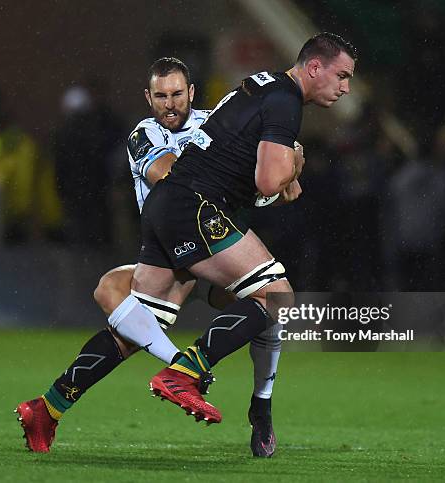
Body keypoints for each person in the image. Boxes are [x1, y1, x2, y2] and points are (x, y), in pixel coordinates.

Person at [16, 58, 285, 457]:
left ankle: (259, 409)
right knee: (113, 297)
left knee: (271, 302)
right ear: (148, 98)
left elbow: (271, 168)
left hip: (215, 248)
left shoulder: (217, 121)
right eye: (160, 96)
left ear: (192, 93)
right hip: (171, 255)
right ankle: (176, 371)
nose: (169, 104)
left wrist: (288, 163)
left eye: (177, 94)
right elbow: (170, 176)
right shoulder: (144, 134)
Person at [121, 33, 355, 441]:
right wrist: (295, 166)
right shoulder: (285, 101)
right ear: (315, 68)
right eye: (342, 76)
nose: (346, 87)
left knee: (135, 319)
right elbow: (268, 182)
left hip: (174, 206)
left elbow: (243, 169)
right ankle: (188, 371)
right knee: (276, 296)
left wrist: (280, 171)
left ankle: (49, 406)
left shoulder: (262, 83)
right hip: (194, 207)